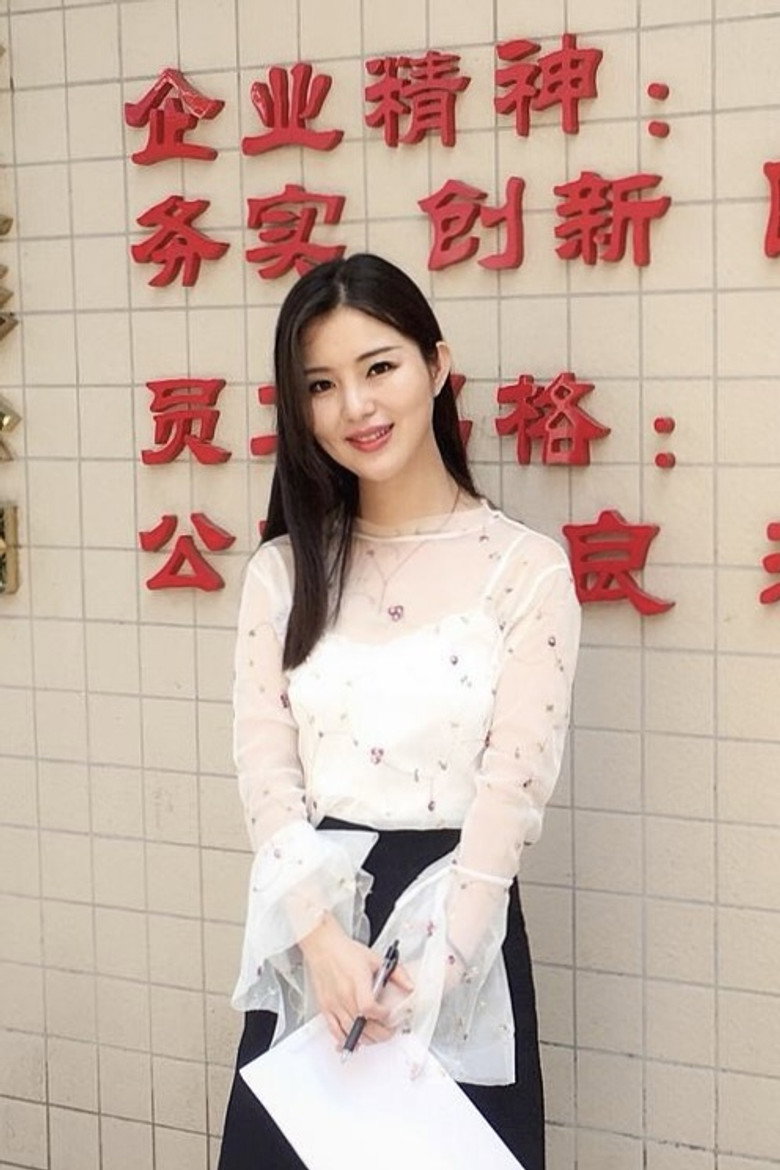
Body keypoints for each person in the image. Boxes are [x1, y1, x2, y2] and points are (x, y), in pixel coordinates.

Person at [218, 253, 580, 1170]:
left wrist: (433, 973)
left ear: (437, 365)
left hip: (457, 927)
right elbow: (266, 769)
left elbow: (512, 790)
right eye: (321, 385)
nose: (356, 406)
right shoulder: (283, 571)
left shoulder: (525, 570)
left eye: (379, 367)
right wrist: (320, 942)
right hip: (314, 922)